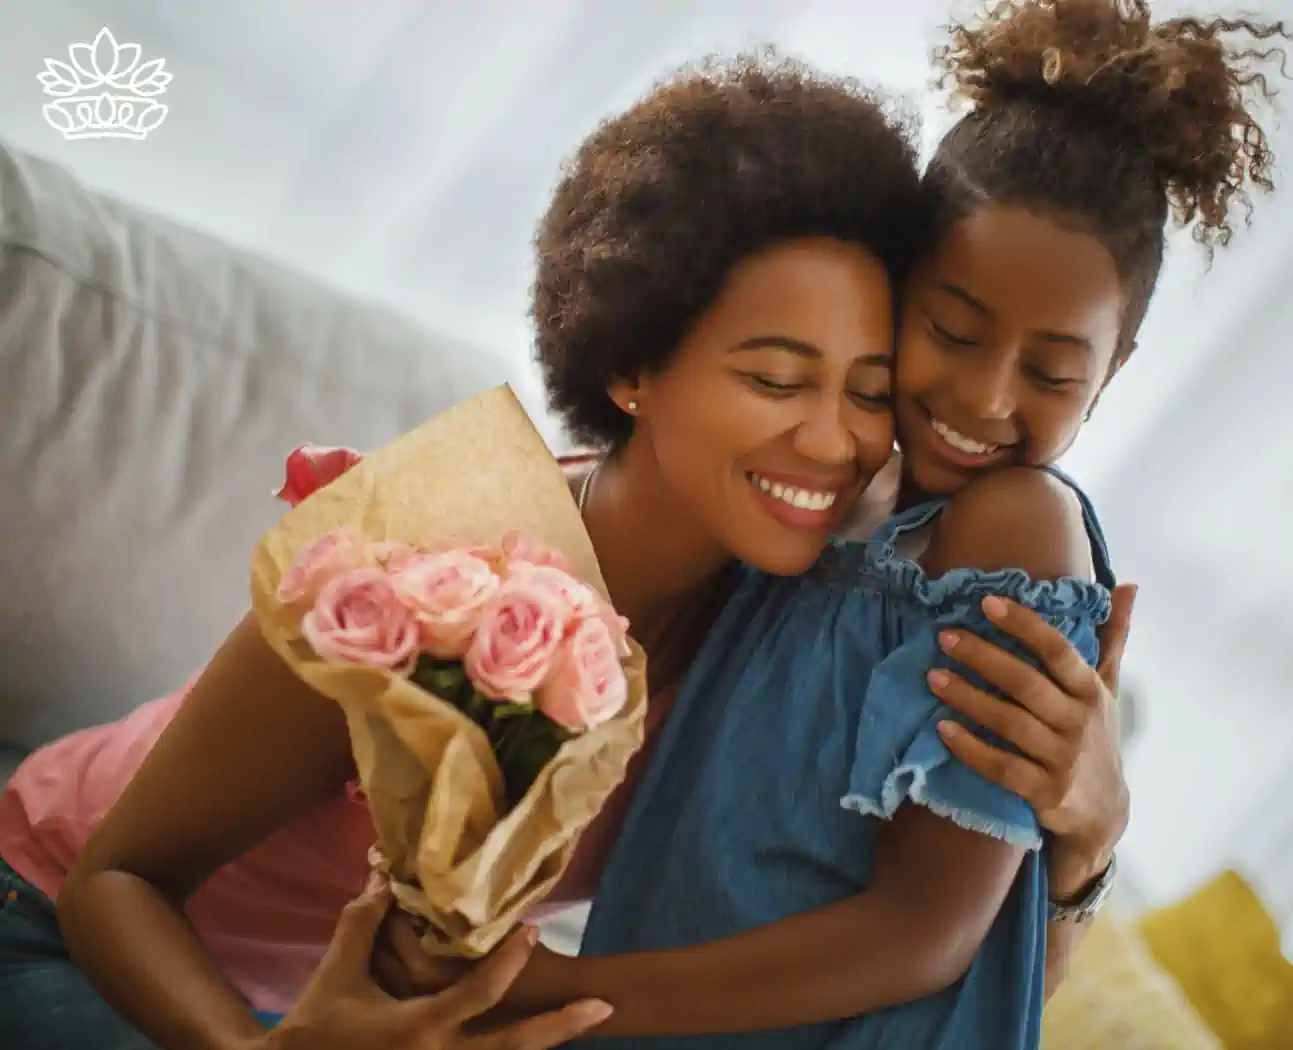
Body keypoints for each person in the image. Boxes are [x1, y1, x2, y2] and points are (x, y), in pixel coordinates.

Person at [0, 51, 1126, 1050]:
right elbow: (119, 879)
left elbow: (928, 943)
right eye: (776, 380)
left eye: (865, 391)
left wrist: (1080, 843)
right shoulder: (422, 560)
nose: (833, 442)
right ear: (632, 366)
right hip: (53, 926)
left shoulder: (788, 607)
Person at [385, 2, 1290, 1046]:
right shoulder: (822, 499)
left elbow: (923, 939)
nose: (987, 399)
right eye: (949, 330)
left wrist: (552, 992)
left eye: (1049, 370)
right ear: (896, 286)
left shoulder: (1017, 529)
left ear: (1112, 370)